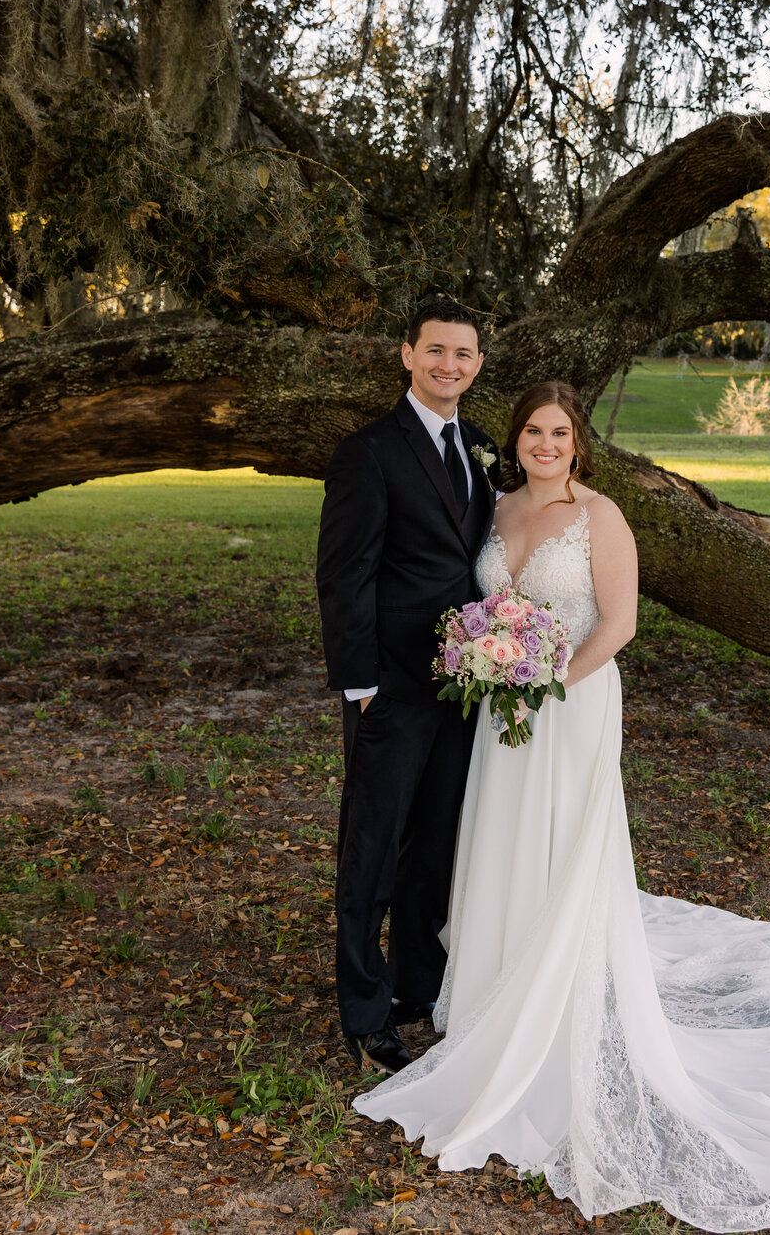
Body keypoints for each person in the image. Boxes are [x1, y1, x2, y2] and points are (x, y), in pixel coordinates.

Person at [354, 381, 770, 1231]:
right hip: (502, 711)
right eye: (532, 431)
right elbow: (477, 607)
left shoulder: (599, 515)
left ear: (579, 443)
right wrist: (495, 667)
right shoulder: (493, 513)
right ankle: (494, 984)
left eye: (559, 432)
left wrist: (549, 682)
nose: (544, 443)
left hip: (568, 706)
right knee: (500, 841)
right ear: (516, 440)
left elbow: (619, 624)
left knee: (567, 845)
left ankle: (557, 995)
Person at [315, 295, 497, 1076]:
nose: (447, 365)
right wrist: (359, 687)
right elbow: (344, 575)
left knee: (438, 844)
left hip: (467, 687)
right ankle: (363, 1005)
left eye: (462, 354)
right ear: (407, 355)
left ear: (477, 364)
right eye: (434, 351)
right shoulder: (370, 452)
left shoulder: (485, 447)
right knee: (373, 845)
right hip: (390, 684)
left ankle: (418, 986)